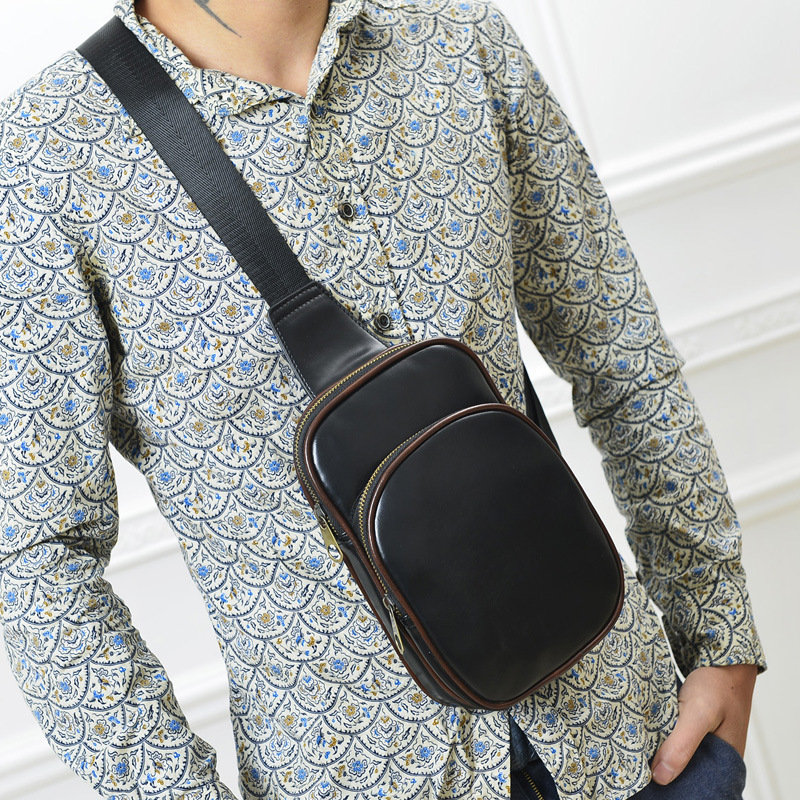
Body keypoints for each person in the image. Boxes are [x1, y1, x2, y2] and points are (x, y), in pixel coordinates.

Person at [0, 1, 765, 798]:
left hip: (630, 741)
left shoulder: (457, 34)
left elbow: (618, 349)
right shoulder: (45, 159)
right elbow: (36, 561)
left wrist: (721, 640)